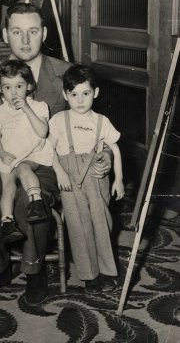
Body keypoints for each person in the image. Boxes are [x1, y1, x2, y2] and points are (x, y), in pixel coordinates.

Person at [0, 2, 112, 305]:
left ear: (44, 33)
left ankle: (34, 270)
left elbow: (89, 124)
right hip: (3, 157)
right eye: (17, 32)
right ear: (5, 34)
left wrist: (105, 157)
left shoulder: (64, 74)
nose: (24, 40)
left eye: (32, 32)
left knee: (28, 196)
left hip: (47, 160)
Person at [49, 64, 124, 294]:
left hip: (95, 174)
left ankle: (108, 270)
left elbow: (116, 149)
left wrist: (118, 179)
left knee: (101, 220)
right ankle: (89, 275)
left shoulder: (101, 121)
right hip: (69, 178)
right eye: (73, 94)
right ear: (65, 95)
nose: (80, 100)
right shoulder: (59, 120)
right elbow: (48, 150)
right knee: (78, 224)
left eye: (85, 93)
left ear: (96, 93)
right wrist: (60, 172)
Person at [0, 59, 54, 244]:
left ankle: (36, 202)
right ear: (0, 89)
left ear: (29, 86)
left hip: (32, 153)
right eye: (7, 87)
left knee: (24, 168)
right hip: (9, 156)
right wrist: (1, 153)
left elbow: (42, 132)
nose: (13, 92)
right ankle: (7, 222)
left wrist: (26, 108)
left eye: (19, 86)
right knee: (8, 187)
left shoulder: (38, 106)